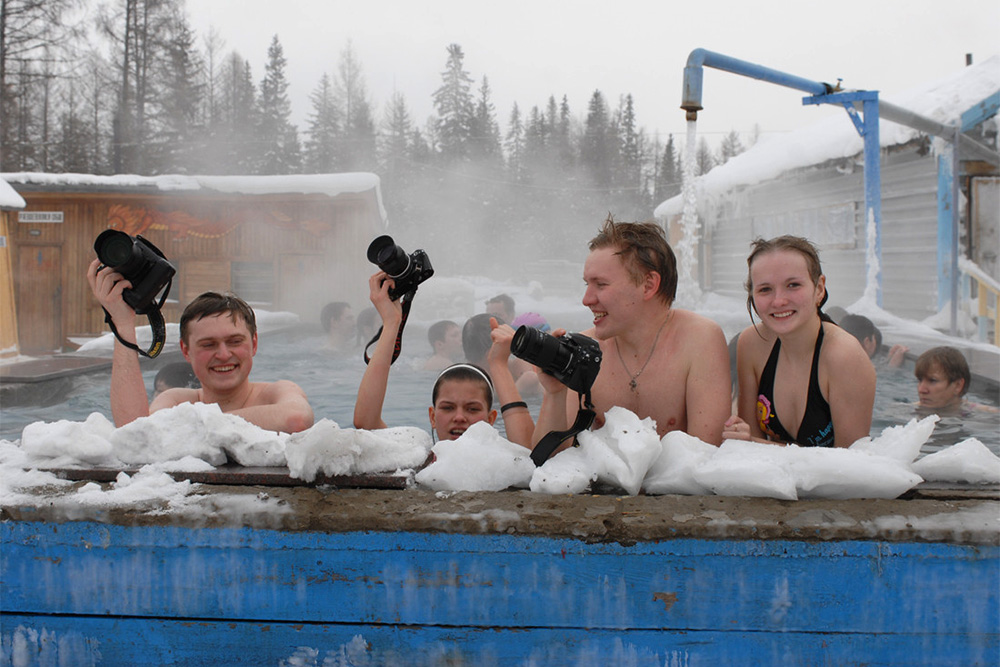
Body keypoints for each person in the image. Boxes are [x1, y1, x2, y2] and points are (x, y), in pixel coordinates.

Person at [533, 217, 731, 448]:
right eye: (586, 284)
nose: (586, 299)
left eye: (601, 284)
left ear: (648, 285)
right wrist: (555, 395)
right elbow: (547, 466)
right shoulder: (585, 350)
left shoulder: (698, 340)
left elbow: (704, 457)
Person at [87, 259, 314, 433]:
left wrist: (190, 426)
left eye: (235, 341)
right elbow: (135, 431)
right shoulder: (177, 400)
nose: (224, 355)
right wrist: (123, 322)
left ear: (254, 344)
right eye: (208, 344)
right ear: (186, 351)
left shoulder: (277, 392)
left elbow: (296, 418)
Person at [723, 236, 875, 448]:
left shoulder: (843, 355)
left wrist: (757, 444)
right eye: (765, 289)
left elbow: (848, 466)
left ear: (819, 288)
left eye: (793, 285)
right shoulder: (752, 344)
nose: (778, 301)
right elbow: (748, 446)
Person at [354, 271, 533, 446]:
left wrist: (499, 364)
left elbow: (526, 448)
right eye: (447, 407)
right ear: (432, 417)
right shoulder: (422, 459)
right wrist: (391, 323)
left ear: (491, 418)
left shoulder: (507, 464)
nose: (459, 418)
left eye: (473, 409)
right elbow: (367, 423)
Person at [839, 313, 908, 368]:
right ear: (867, 342)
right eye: (874, 338)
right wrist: (893, 367)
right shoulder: (861, 370)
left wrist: (888, 360)